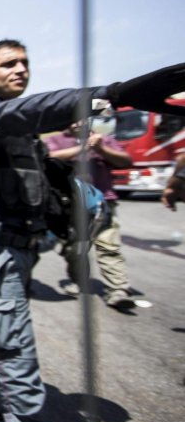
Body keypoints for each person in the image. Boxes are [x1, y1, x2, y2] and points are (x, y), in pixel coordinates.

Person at [0, 39, 185, 422]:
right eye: (8, 64)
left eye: (24, 63)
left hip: (15, 248)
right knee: (12, 346)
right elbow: (26, 110)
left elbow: (33, 159)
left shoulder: (20, 132)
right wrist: (108, 95)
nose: (19, 69)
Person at [44, 121, 134, 308]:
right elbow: (48, 158)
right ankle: (78, 280)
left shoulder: (104, 140)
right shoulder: (55, 140)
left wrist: (100, 148)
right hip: (69, 206)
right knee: (74, 249)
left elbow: (125, 161)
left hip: (103, 204)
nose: (79, 122)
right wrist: (82, 149)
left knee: (109, 247)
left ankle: (117, 290)